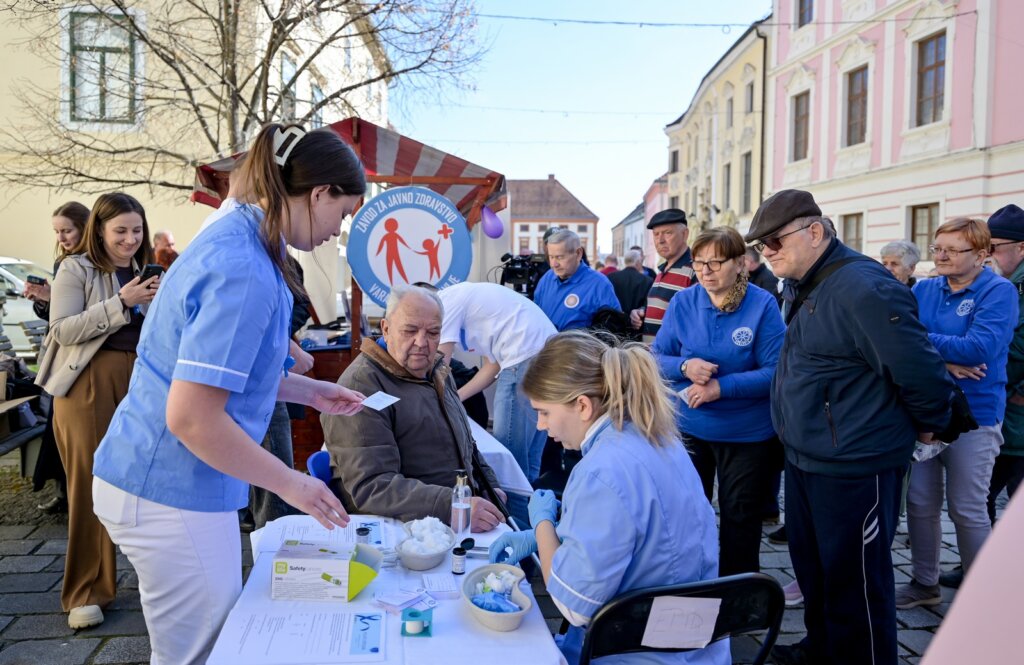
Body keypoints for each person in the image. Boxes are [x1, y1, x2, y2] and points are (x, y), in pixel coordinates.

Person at [90, 123, 367, 665]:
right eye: (344, 213)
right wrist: (294, 486)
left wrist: (307, 390)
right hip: (169, 487)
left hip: (166, 480)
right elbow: (193, 417)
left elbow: (211, 372)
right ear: (318, 194)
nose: (340, 230)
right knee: (203, 653)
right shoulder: (245, 267)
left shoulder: (239, 237)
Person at [744, 189, 962, 665]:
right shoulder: (803, 281)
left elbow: (920, 371)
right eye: (761, 246)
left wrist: (930, 425)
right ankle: (822, 649)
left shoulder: (864, 286)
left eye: (775, 241)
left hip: (855, 464)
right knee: (815, 570)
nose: (767, 253)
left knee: (856, 583)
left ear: (815, 232)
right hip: (807, 457)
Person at [488, 331, 728, 665]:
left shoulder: (600, 470)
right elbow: (640, 532)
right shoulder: (660, 439)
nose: (542, 426)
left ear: (583, 405)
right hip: (696, 639)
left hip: (638, 648)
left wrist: (542, 525)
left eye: (544, 412)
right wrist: (559, 534)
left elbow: (574, 606)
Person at [34, 193, 160, 630]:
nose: (129, 239)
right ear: (100, 230)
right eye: (120, 230)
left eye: (136, 230)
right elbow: (62, 329)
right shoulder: (76, 267)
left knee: (144, 481)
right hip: (87, 381)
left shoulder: (148, 270)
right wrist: (121, 302)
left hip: (141, 381)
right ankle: (86, 591)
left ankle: (153, 577)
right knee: (90, 484)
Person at [897, 218, 1017, 605]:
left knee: (967, 507)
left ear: (981, 255)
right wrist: (944, 363)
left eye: (952, 249)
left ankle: (982, 600)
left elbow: (979, 349)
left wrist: (926, 347)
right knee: (919, 501)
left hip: (975, 415)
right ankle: (924, 584)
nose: (941, 256)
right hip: (926, 410)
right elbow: (900, 337)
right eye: (937, 248)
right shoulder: (925, 288)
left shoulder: (998, 291)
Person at [652, 227, 785, 576]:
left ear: (741, 263)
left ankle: (738, 598)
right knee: (688, 513)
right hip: (691, 428)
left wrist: (720, 388)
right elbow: (654, 358)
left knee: (741, 518)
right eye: (698, 263)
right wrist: (684, 365)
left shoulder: (761, 304)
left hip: (746, 434)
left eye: (715, 262)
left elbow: (776, 372)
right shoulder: (684, 301)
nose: (705, 271)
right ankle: (690, 583)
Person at [322, 285, 507, 529]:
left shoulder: (438, 370)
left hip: (456, 513)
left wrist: (490, 486)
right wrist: (452, 506)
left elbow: (467, 445)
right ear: (386, 329)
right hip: (406, 529)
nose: (422, 342)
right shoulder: (362, 386)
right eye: (410, 330)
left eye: (433, 333)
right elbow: (372, 487)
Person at [431, 281, 556, 484]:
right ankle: (530, 513)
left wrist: (432, 403)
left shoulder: (443, 303)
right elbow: (491, 368)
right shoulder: (471, 303)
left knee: (509, 460)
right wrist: (456, 397)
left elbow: (439, 365)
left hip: (524, 356)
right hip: (546, 354)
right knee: (528, 462)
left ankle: (511, 515)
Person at [22, 201, 89, 514]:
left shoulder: (86, 262)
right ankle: (65, 493)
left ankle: (71, 495)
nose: (62, 237)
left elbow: (79, 316)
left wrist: (52, 300)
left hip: (80, 357)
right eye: (57, 232)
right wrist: (44, 299)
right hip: (63, 356)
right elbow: (57, 319)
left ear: (84, 227)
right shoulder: (64, 262)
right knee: (57, 428)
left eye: (67, 230)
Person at [985, 204, 1024, 526]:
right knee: (982, 494)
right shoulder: (1002, 284)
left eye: (994, 247)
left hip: (1017, 408)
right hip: (1005, 409)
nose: (988, 255)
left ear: (1021, 247)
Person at [533, 228, 619, 331]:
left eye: (559, 257)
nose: (554, 264)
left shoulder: (600, 284)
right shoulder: (547, 278)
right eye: (551, 257)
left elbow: (613, 328)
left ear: (578, 253)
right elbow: (535, 314)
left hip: (579, 347)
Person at [630, 208, 695, 343]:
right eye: (656, 234)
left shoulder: (695, 270)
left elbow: (695, 321)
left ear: (685, 234)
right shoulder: (662, 270)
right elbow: (659, 307)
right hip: (652, 358)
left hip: (674, 360)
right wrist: (640, 312)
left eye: (667, 233)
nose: (660, 240)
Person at [606, 248, 654, 322]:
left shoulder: (611, 277)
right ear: (638, 262)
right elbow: (648, 305)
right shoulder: (647, 280)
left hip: (614, 324)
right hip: (637, 325)